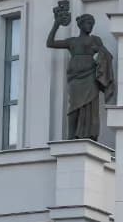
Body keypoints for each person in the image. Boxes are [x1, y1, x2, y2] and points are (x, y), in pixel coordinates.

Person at [46, 9, 115, 141]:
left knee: (90, 107)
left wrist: (99, 51)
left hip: (90, 77)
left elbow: (107, 56)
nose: (90, 26)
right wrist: (56, 24)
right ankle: (71, 136)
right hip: (75, 78)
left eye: (92, 23)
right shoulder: (72, 41)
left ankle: (90, 136)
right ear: (81, 25)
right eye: (88, 23)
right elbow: (50, 43)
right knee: (74, 106)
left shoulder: (95, 40)